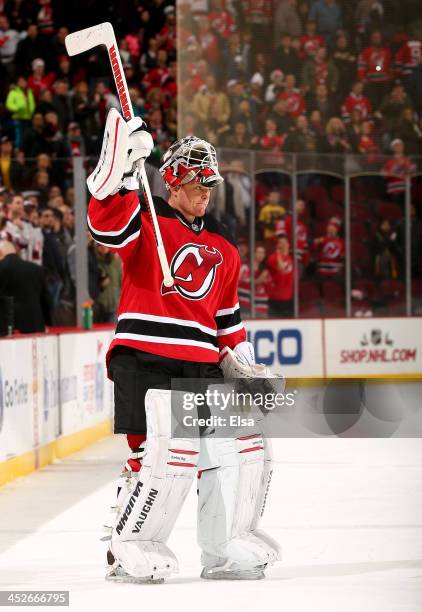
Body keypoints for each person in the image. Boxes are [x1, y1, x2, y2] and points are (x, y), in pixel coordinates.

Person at [87, 112, 280, 584]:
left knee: (239, 447)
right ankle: (128, 543)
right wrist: (115, 168)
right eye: (196, 184)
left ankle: (226, 545)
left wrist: (244, 365)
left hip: (200, 363)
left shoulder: (223, 243)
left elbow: (227, 321)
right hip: (146, 356)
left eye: (209, 186)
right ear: (172, 181)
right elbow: (104, 227)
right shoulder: (146, 215)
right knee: (160, 455)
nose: (204, 194)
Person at [0, 239, 49, 333]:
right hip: (35, 325)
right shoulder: (36, 269)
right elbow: (45, 300)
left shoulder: (2, 268)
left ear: (1, 252)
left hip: (8, 328)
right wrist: (48, 322)